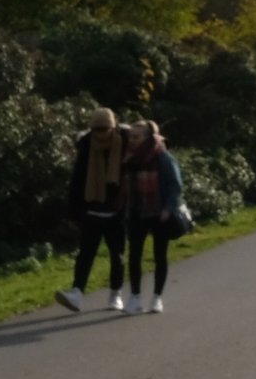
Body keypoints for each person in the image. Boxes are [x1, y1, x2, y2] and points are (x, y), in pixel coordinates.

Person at [56, 108, 129, 313]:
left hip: (116, 211)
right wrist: (75, 211)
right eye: (97, 129)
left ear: (113, 127)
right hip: (92, 210)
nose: (101, 133)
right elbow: (77, 180)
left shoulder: (124, 143)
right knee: (85, 254)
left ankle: (116, 294)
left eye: (105, 128)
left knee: (117, 255)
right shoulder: (86, 146)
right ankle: (77, 293)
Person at [123, 119, 184, 314]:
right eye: (130, 136)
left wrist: (168, 208)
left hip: (159, 213)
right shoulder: (128, 158)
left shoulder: (163, 157)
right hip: (136, 211)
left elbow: (175, 185)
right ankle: (134, 297)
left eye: (136, 136)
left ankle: (157, 298)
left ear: (148, 137)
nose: (132, 140)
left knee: (160, 255)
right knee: (134, 255)